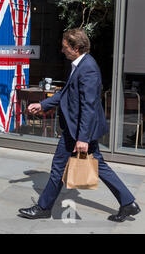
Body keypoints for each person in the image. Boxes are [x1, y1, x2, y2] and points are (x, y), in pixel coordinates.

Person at [19, 28, 141, 223]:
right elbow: (64, 94)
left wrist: (82, 138)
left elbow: (89, 106)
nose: (62, 50)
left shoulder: (88, 68)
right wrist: (42, 105)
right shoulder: (78, 65)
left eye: (65, 46)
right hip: (77, 129)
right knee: (98, 165)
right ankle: (128, 203)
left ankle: (43, 208)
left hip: (78, 131)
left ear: (76, 48)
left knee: (58, 168)